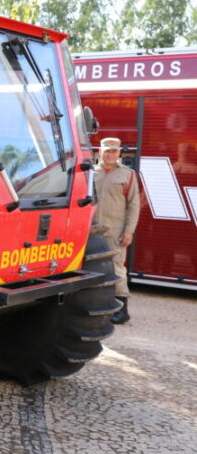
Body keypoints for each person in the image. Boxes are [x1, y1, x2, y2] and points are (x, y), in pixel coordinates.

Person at [94, 137, 140, 324]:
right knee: (92, 268)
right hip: (92, 230)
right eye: (107, 151)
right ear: (100, 152)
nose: (111, 155)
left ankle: (122, 309)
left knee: (117, 268)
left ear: (120, 153)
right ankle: (99, 306)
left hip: (115, 231)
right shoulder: (90, 173)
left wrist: (129, 231)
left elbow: (134, 206)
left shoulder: (127, 175)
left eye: (114, 151)